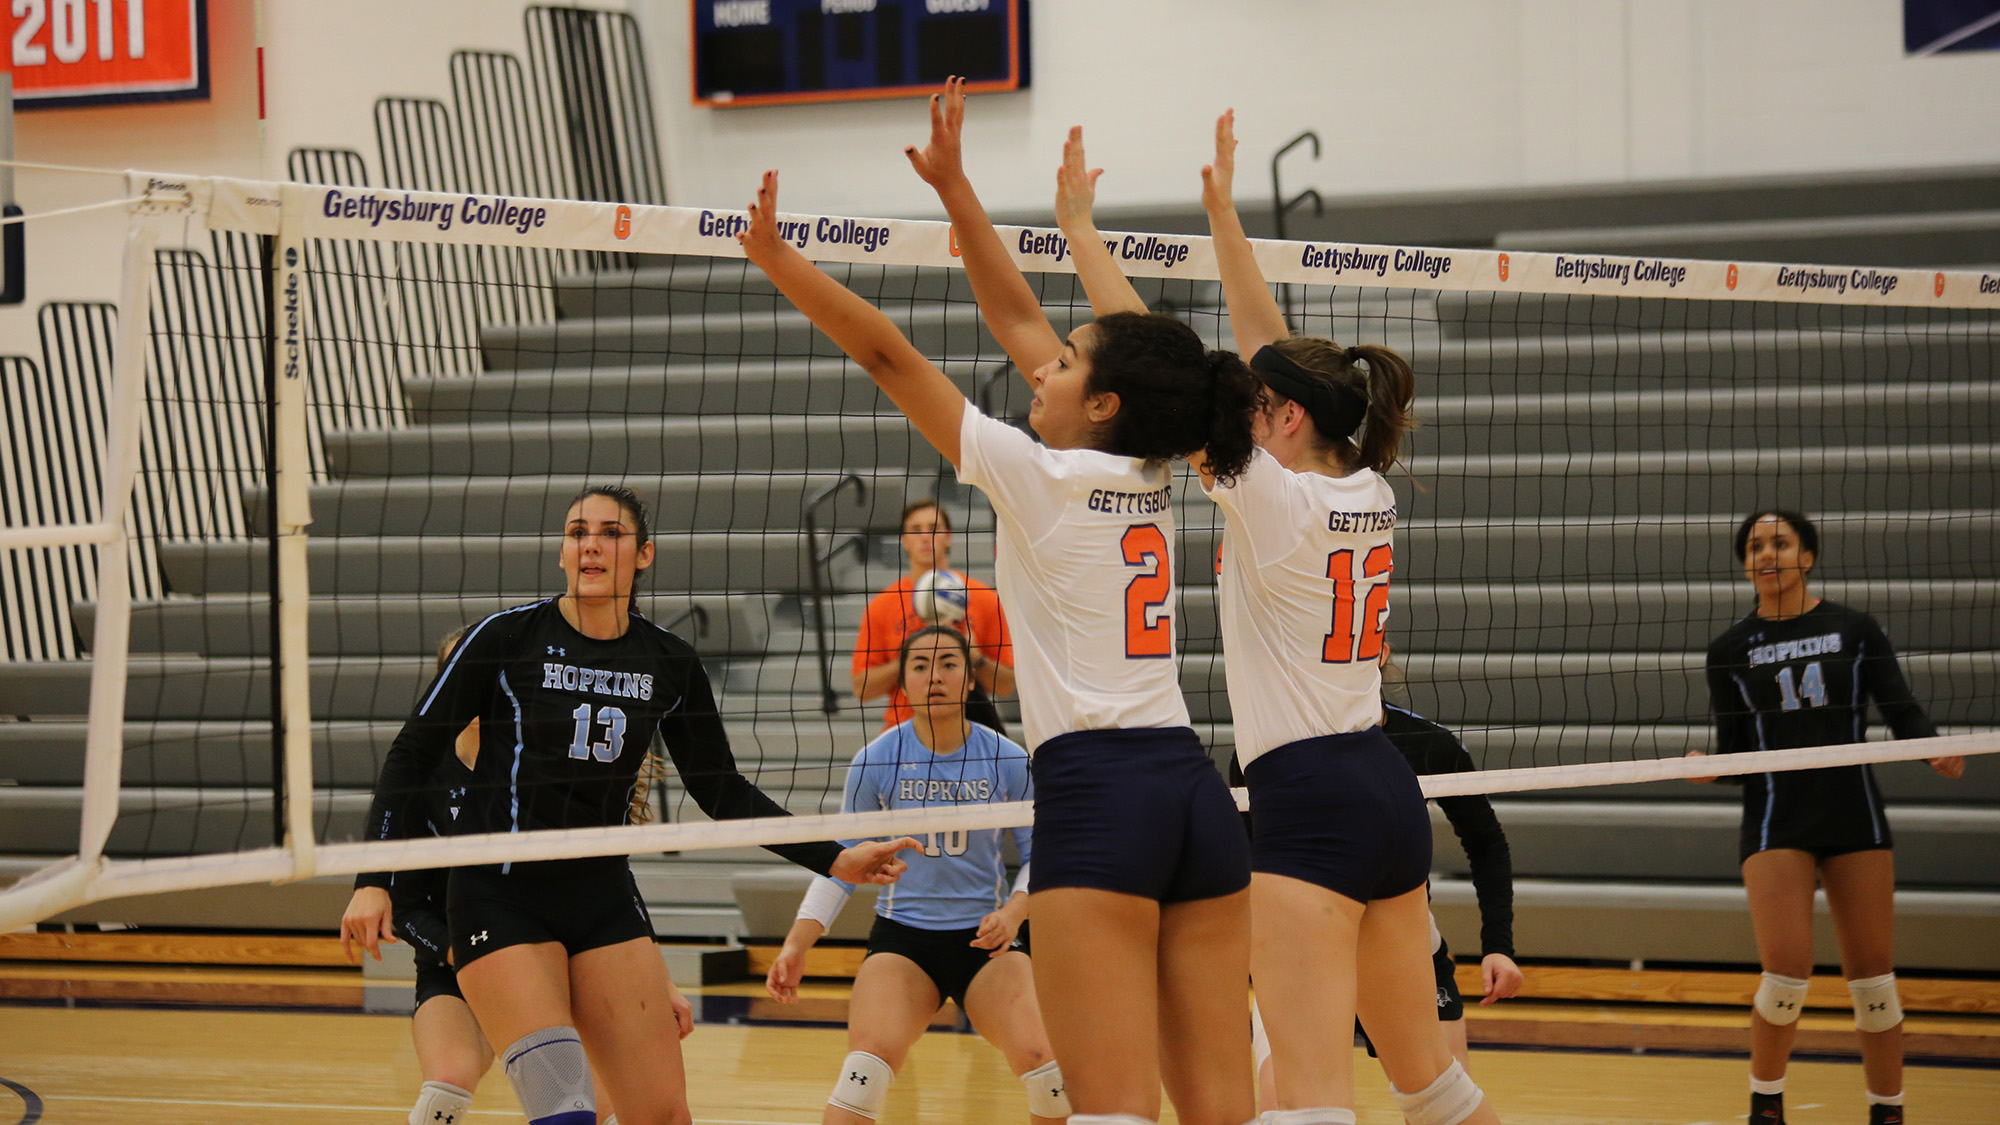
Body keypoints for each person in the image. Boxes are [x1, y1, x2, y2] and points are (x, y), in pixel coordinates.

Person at [736, 77, 1263, 1125]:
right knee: (1221, 1112)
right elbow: (1017, 312)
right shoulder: (1153, 464)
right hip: (1190, 792)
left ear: (1100, 403)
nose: (1040, 363)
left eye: (1063, 364)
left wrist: (777, 259)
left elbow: (889, 356)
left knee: (1108, 1111)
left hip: (1099, 800)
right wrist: (958, 190)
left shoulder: (1040, 475)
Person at [340, 485, 920, 1125]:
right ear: (563, 553)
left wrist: (835, 858)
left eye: (610, 533)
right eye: (576, 532)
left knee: (663, 1116)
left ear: (643, 554)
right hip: (499, 896)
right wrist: (374, 881)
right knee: (567, 1111)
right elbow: (412, 751)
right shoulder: (504, 639)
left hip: (600, 897)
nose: (590, 543)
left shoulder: (668, 662)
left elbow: (721, 789)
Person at [1187, 109, 1502, 1125]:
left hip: (1306, 800)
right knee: (1433, 1085)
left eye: (1252, 405)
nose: (1240, 412)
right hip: (1379, 786)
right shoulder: (1363, 486)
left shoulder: (1272, 498)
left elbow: (1170, 380)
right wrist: (1222, 216)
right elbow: (1262, 347)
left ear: (1280, 419)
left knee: (1305, 1098)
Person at [1690, 509, 1964, 1125]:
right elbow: (1739, 753)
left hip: (1852, 815)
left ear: (1806, 556)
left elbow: (1901, 709)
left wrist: (1934, 746)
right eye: (1755, 547)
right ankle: (1766, 1104)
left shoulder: (1854, 629)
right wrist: (1710, 766)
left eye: (1780, 543)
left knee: (1873, 983)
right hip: (1775, 818)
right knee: (1786, 975)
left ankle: (1887, 1111)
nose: (1766, 554)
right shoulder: (1730, 650)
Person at [770, 625, 1067, 1124]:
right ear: (902, 682)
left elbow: (1045, 855)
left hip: (985, 942)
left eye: (949, 663)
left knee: (1050, 1075)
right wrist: (797, 945)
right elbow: (840, 865)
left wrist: (1015, 912)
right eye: (921, 665)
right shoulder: (876, 761)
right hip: (904, 942)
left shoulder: (1009, 759)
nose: (936, 676)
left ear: (971, 679)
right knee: (863, 1074)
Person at [1239, 690, 1524, 1107]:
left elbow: (1486, 843)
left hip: (1400, 941)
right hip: (1303, 945)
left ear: (1378, 648)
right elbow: (1251, 871)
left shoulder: (1425, 743)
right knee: (1285, 1102)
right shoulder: (1265, 748)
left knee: (1442, 1099)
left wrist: (1498, 945)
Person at [851, 497, 1015, 732]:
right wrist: (910, 658)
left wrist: (976, 657)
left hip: (968, 732)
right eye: (916, 530)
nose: (925, 536)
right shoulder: (883, 605)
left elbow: (1006, 686)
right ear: (904, 541)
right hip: (905, 733)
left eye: (934, 528)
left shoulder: (983, 598)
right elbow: (862, 688)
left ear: (949, 536)